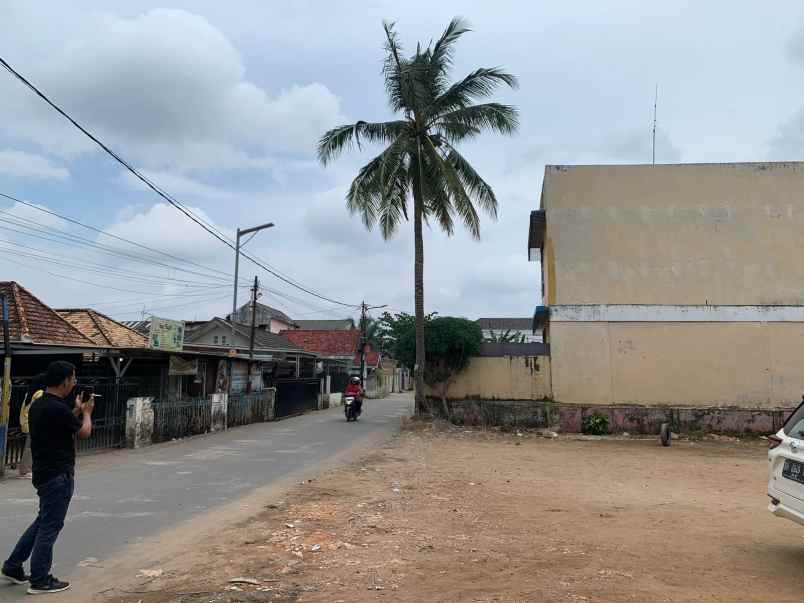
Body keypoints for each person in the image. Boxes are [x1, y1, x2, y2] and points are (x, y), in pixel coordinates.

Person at [2, 361, 94, 595]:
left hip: (44, 472)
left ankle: (13, 566)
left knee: (43, 520)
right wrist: (87, 413)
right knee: (51, 525)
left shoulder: (40, 405)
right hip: (58, 473)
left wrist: (75, 410)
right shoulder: (57, 408)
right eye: (73, 379)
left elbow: (64, 424)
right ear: (64, 381)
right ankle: (40, 579)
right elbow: (83, 432)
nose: (74, 383)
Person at [17, 373, 46, 478]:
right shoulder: (40, 393)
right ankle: (25, 470)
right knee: (30, 447)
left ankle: (28, 468)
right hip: (33, 423)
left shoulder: (31, 392)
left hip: (27, 422)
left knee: (30, 446)